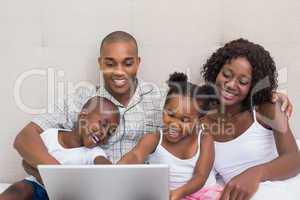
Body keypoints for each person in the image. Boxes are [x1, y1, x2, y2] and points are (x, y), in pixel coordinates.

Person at [13, 31, 292, 182]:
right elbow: (25, 138)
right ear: (100, 63)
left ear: (139, 63)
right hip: (84, 185)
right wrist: (55, 173)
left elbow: (199, 105)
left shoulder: (161, 100)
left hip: (135, 188)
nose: (119, 71)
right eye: (110, 63)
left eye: (127, 62)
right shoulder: (80, 98)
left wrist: (267, 94)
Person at [201, 38, 300, 200]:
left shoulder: (266, 109)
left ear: (254, 85)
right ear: (216, 72)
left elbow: (294, 160)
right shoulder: (201, 123)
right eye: (226, 74)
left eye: (243, 81)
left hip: (284, 186)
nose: (231, 85)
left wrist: (256, 173)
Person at [118, 72, 223, 200]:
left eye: (184, 120)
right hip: (167, 196)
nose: (174, 124)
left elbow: (201, 176)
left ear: (199, 121)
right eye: (170, 115)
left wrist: (179, 193)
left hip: (202, 194)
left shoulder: (204, 139)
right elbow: (136, 155)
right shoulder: (154, 138)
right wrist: (120, 168)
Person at [0, 96, 119, 200]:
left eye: (109, 132)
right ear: (83, 116)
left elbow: (104, 165)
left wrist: (111, 170)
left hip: (67, 195)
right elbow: (26, 162)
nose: (104, 133)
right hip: (37, 187)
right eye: (103, 124)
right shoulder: (51, 135)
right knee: (20, 188)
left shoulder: (94, 151)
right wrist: (47, 178)